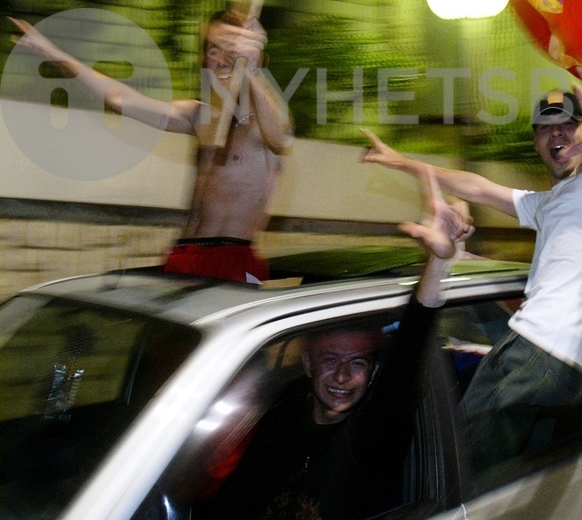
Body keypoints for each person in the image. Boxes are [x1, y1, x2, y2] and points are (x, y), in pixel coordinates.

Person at [361, 81, 582, 471]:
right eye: (546, 128)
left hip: (545, 352)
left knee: (449, 466)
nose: (558, 133)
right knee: (512, 475)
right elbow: (478, 188)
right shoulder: (547, 203)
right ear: (536, 144)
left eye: (568, 124)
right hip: (554, 360)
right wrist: (402, 162)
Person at [193, 168, 470, 520]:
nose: (342, 376)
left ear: (372, 373)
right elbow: (234, 501)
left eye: (357, 363)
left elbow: (411, 343)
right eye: (330, 359)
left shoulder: (373, 433)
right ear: (307, 364)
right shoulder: (280, 419)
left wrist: (439, 263)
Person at [9, 9, 292, 282]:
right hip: (185, 254)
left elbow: (279, 136)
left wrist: (251, 70)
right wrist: (54, 54)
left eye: (229, 48)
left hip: (232, 260)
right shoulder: (200, 115)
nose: (219, 58)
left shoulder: (265, 120)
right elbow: (120, 99)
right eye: (213, 48)